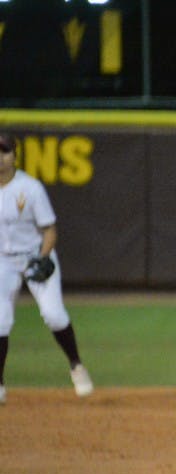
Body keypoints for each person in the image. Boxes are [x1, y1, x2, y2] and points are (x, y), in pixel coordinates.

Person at [0, 131, 93, 404]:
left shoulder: (30, 188)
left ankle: (76, 365)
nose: (0, 158)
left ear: (15, 156)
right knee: (0, 320)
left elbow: (49, 230)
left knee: (53, 314)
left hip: (35, 255)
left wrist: (42, 257)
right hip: (3, 261)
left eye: (5, 151)